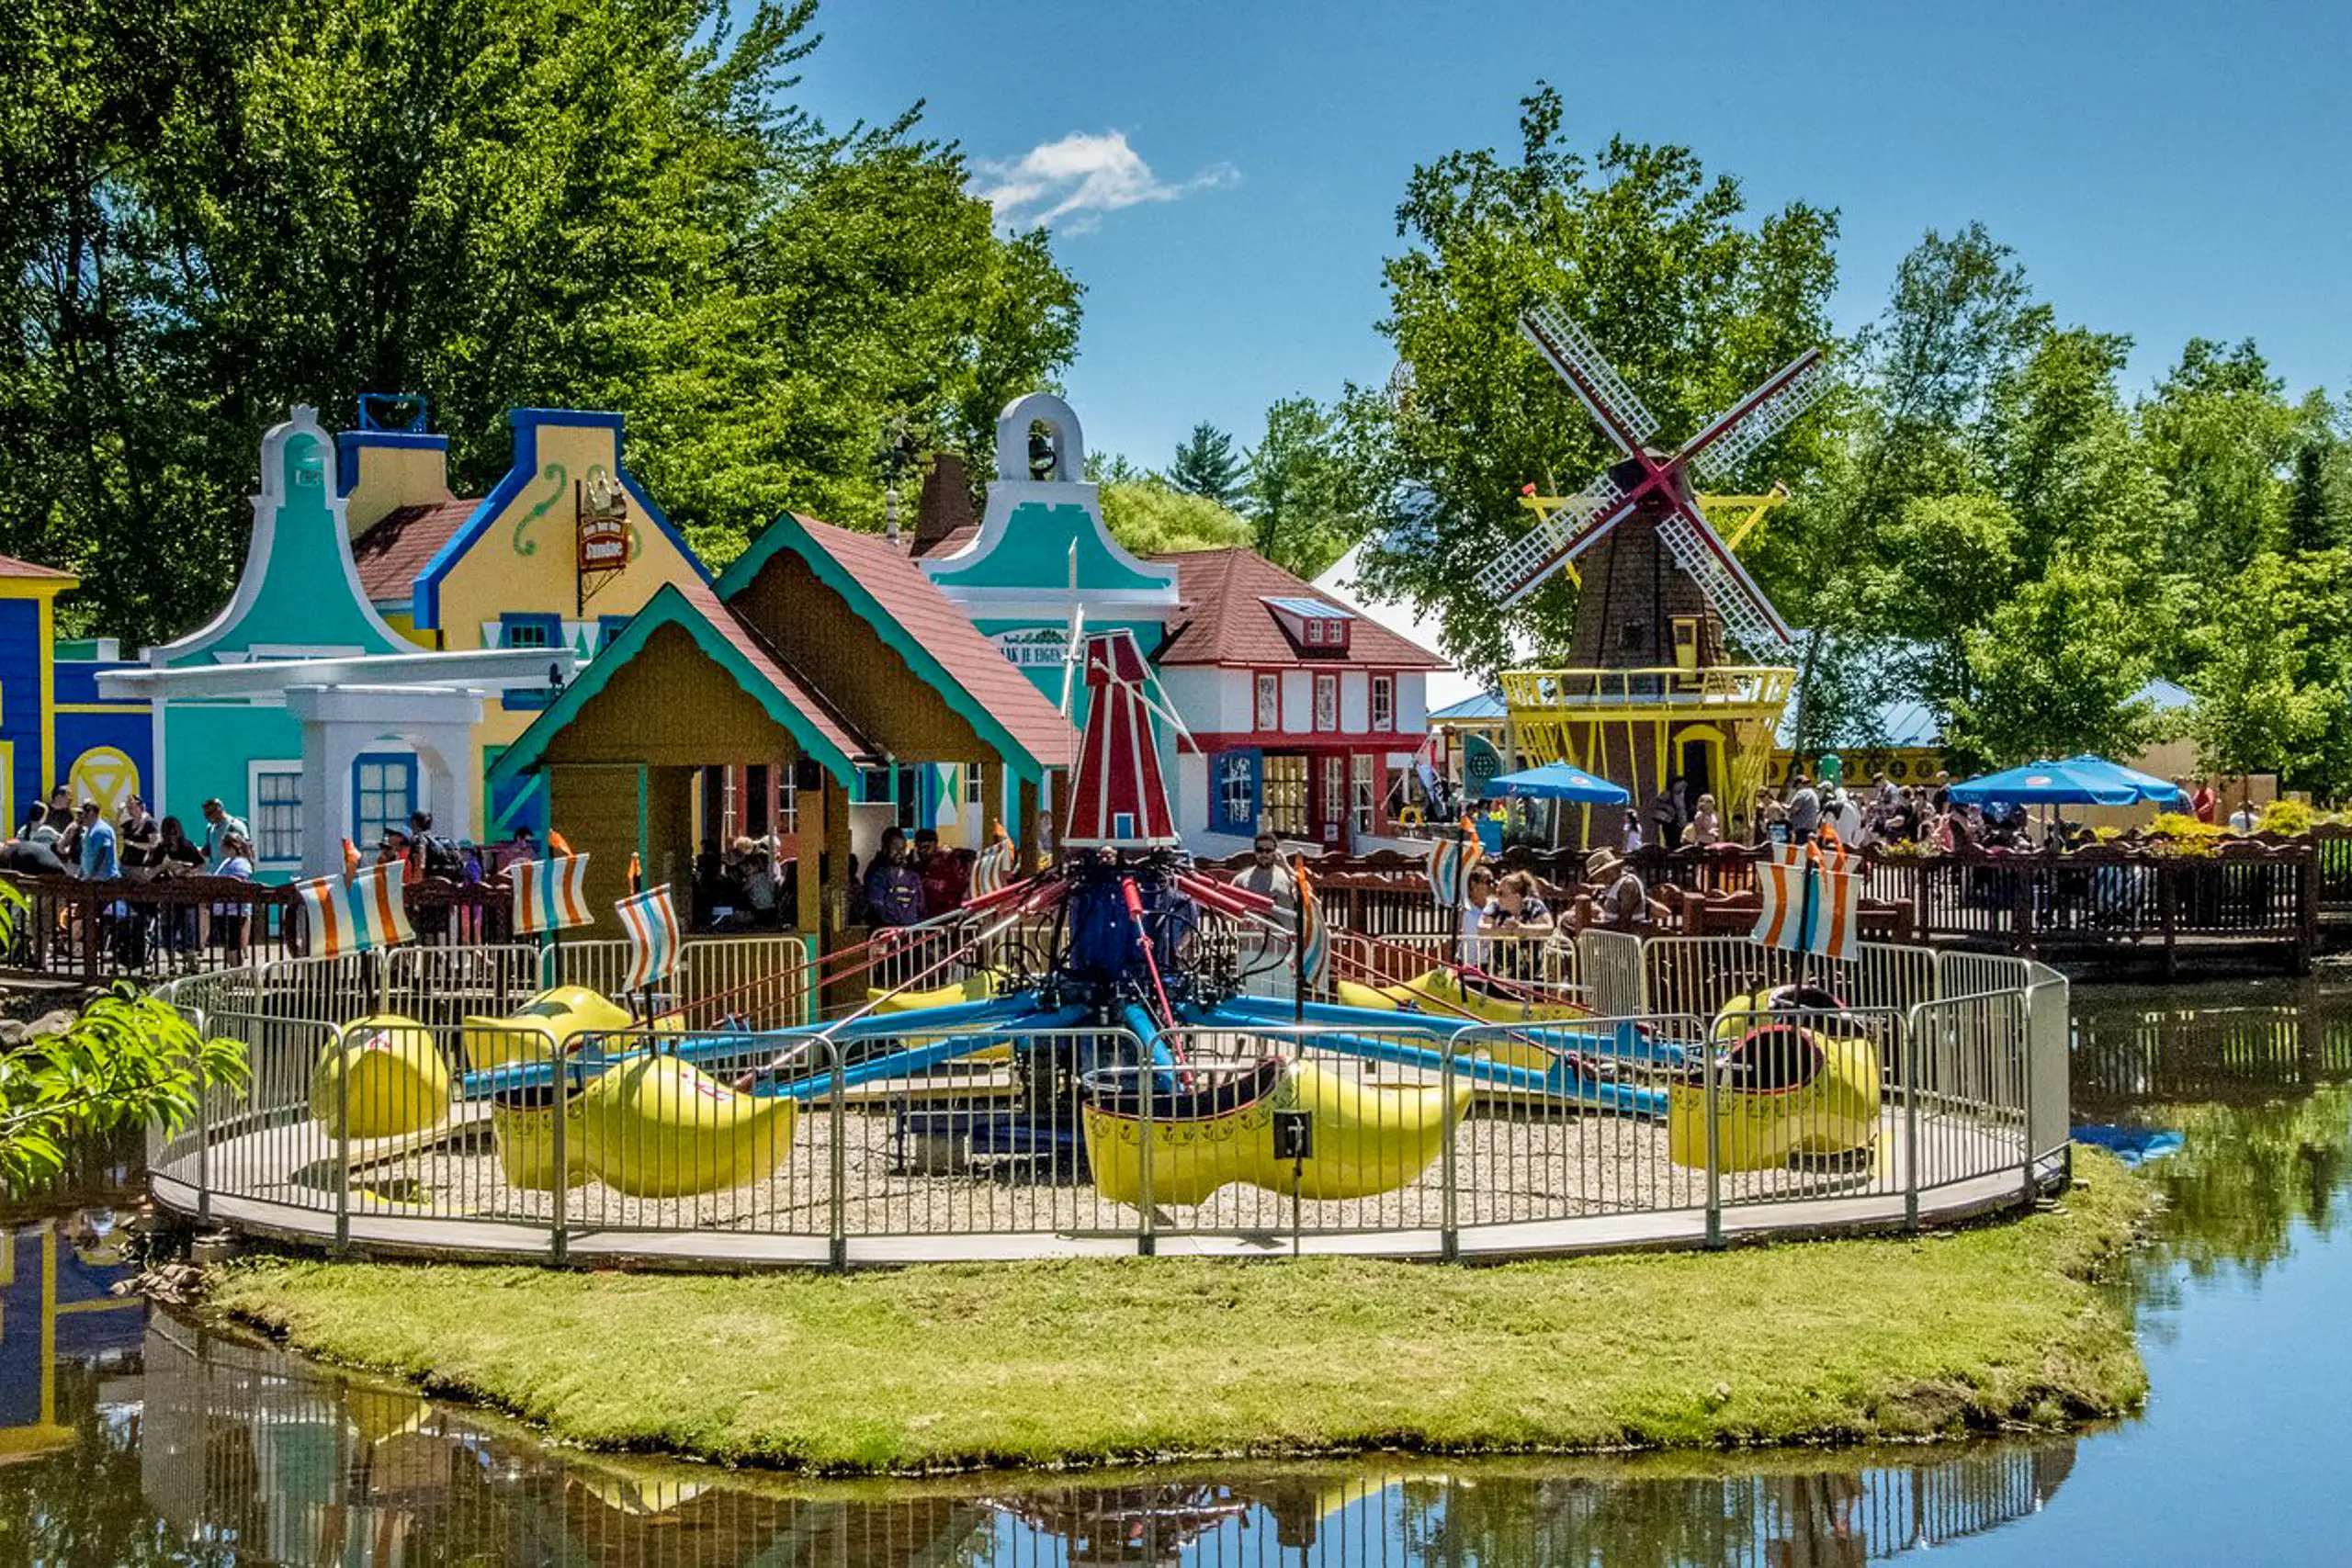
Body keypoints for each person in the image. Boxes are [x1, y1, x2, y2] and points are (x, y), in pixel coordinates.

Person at [1234, 831, 1298, 991]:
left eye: (1268, 850)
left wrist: (1286, 866)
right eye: (1259, 850)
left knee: (1285, 994)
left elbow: (1306, 894)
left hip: (1284, 948)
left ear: (1275, 852)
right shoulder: (1242, 879)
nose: (1264, 854)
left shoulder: (1288, 876)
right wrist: (1241, 920)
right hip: (1253, 948)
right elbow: (1227, 909)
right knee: (1255, 994)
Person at [1479, 869, 1555, 978]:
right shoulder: (1495, 906)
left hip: (1532, 976)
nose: (1497, 897)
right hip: (1500, 976)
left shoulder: (1534, 905)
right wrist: (1501, 931)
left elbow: (1549, 927)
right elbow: (1481, 927)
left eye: (1501, 893)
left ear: (1517, 896)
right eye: (1496, 892)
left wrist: (1524, 930)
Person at [861, 827, 924, 928]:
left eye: (903, 848)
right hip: (886, 933)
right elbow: (877, 907)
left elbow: (920, 906)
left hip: (909, 934)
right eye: (895, 848)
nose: (900, 853)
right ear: (885, 848)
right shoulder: (876, 875)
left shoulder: (913, 877)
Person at [210, 830, 255, 963]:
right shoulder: (227, 862)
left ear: (230, 847)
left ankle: (237, 972)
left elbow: (236, 882)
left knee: (233, 944)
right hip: (222, 910)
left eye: (222, 845)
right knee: (229, 945)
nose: (220, 848)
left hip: (234, 911)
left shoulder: (240, 863)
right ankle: (232, 972)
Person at [1584, 848, 1652, 932]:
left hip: (1625, 940)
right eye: (1597, 876)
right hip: (1613, 937)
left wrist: (1591, 924)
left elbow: (1624, 925)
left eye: (1604, 872)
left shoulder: (1627, 885)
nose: (1601, 878)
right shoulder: (1613, 885)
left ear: (1614, 867)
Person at [913, 828, 964, 920]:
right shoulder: (917, 868)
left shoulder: (948, 864)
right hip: (926, 920)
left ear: (935, 845)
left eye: (926, 847)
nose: (921, 851)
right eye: (919, 848)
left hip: (947, 918)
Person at [119, 795, 161, 879]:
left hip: (139, 867)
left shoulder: (149, 824)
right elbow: (115, 832)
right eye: (128, 808)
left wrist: (133, 844)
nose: (130, 811)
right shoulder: (129, 824)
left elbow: (154, 845)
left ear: (140, 807)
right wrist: (119, 814)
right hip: (125, 865)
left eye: (132, 808)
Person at [200, 798, 249, 870]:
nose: (207, 818)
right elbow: (208, 850)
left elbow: (245, 850)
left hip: (232, 873)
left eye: (209, 814)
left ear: (219, 809)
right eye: (205, 815)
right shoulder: (210, 828)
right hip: (216, 873)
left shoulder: (234, 826)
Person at [1784, 773, 1821, 842]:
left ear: (1799, 784)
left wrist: (1783, 806)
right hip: (1812, 827)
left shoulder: (1801, 793)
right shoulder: (1813, 793)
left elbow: (1793, 809)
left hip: (1802, 829)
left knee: (1801, 851)